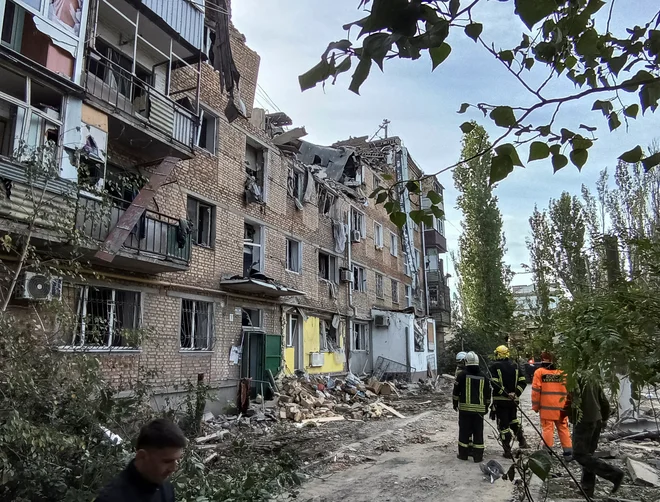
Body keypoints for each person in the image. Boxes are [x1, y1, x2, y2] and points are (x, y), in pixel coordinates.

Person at [95, 418, 187, 502]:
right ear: (142, 456)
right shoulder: (110, 498)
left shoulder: (166, 488)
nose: (174, 468)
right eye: (167, 461)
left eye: (177, 460)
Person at [564, 379, 625, 498]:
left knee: (579, 454)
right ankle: (587, 489)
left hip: (584, 420)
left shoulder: (573, 377)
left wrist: (570, 416)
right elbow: (603, 400)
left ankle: (614, 474)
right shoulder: (591, 377)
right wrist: (604, 418)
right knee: (588, 455)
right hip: (596, 419)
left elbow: (570, 401)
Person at [489, 345, 530, 458]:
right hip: (513, 402)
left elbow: (495, 383)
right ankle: (522, 441)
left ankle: (507, 450)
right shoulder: (515, 366)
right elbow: (523, 382)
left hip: (501, 401)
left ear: (498, 354)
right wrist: (515, 393)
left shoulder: (494, 366)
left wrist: (506, 393)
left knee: (504, 425)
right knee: (514, 421)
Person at [531, 351, 573, 459]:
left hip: (546, 408)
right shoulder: (563, 372)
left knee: (548, 429)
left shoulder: (539, 372)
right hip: (561, 408)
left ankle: (547, 454)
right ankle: (568, 453)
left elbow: (536, 391)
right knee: (563, 428)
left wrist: (535, 406)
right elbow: (570, 390)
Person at [453, 351, 492, 463]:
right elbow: (488, 394)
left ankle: (463, 455)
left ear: (466, 362)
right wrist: (486, 406)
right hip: (479, 411)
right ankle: (478, 457)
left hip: (465, 410)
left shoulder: (461, 375)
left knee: (464, 433)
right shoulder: (484, 376)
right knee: (478, 433)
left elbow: (456, 392)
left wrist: (455, 404)